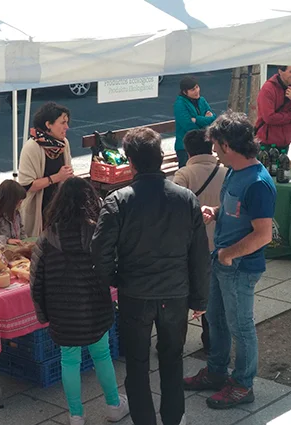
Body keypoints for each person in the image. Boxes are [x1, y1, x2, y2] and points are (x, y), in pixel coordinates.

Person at [91, 127, 210, 425]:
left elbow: (100, 251)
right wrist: (200, 298)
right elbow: (199, 253)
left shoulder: (118, 201)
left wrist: (114, 278)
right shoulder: (185, 199)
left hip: (136, 293)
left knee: (136, 363)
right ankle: (173, 418)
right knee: (172, 359)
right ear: (160, 156)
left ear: (130, 162)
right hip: (175, 292)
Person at [183, 112, 277, 410]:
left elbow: (263, 235)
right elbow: (233, 210)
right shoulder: (234, 172)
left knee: (241, 328)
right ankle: (216, 372)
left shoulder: (258, 183)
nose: (213, 151)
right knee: (216, 321)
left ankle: (242, 384)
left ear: (227, 145)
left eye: (215, 145)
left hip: (239, 268)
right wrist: (215, 211)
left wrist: (228, 254)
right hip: (223, 262)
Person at [30, 177, 129, 425]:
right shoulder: (99, 234)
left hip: (62, 313)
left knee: (69, 360)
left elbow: (35, 281)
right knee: (102, 354)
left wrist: (43, 314)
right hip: (97, 309)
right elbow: (114, 266)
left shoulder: (46, 239)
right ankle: (114, 405)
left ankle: (76, 415)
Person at [173, 129, 227, 354]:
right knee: (212, 296)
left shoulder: (183, 175)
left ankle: (175, 341)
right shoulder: (226, 172)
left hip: (190, 247)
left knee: (181, 296)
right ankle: (210, 340)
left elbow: (175, 210)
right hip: (220, 244)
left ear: (188, 151)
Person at [19, 102, 74, 237]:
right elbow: (26, 186)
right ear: (48, 124)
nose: (67, 127)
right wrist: (57, 177)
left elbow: (68, 173)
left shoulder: (63, 143)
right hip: (39, 210)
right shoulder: (31, 147)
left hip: (59, 208)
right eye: (63, 123)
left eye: (67, 122)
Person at [255, 65, 291, 149]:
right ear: (280, 72)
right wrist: (290, 115)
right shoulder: (268, 89)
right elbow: (269, 118)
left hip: (285, 141)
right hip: (267, 142)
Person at [173, 76, 216, 168]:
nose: (197, 91)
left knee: (206, 170)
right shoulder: (180, 104)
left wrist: (197, 119)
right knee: (187, 172)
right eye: (192, 89)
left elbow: (213, 119)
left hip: (204, 143)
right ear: (185, 92)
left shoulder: (202, 100)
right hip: (186, 146)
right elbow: (188, 125)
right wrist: (205, 120)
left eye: (197, 87)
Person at [0, 180, 27, 251]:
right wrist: (7, 240)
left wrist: (25, 241)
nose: (21, 203)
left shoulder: (16, 214)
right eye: (18, 201)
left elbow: (21, 230)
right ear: (9, 201)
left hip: (15, 251)